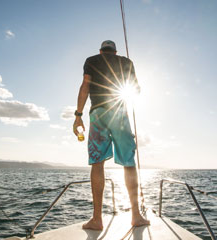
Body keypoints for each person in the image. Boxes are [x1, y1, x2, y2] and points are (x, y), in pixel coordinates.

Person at [73, 40, 150, 230]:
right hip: (119, 112)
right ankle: (136, 216)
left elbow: (85, 86)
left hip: (98, 113)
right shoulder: (126, 62)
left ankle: (97, 219)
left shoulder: (91, 60)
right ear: (115, 52)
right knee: (129, 163)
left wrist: (78, 116)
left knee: (97, 163)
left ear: (101, 51)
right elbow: (136, 89)